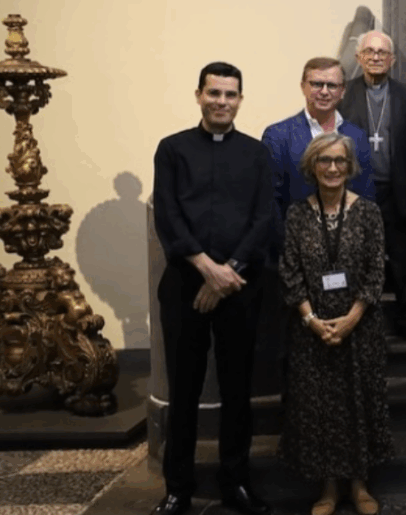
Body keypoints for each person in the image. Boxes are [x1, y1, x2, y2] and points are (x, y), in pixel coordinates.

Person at [152, 62, 273, 515]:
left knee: (238, 389)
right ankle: (178, 488)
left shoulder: (257, 153)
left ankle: (235, 481)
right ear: (199, 95)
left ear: (240, 99)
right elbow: (168, 214)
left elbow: (264, 217)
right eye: (214, 93)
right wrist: (207, 269)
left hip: (239, 286)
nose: (222, 101)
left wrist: (227, 274)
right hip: (185, 284)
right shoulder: (172, 149)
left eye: (230, 94)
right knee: (183, 390)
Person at [277, 132, 392, 515]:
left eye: (339, 160)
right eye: (324, 160)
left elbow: (376, 271)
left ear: (350, 166)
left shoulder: (368, 212)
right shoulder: (297, 215)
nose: (332, 168)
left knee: (359, 403)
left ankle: (359, 486)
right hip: (311, 331)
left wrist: (351, 319)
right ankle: (328, 488)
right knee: (320, 410)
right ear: (312, 166)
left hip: (360, 328)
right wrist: (312, 320)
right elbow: (290, 272)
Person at [338, 31, 406, 342]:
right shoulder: (343, 95)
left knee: (403, 262)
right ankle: (355, 323)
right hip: (355, 191)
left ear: (392, 60)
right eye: (370, 51)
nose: (376, 57)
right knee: (354, 260)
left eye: (382, 53)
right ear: (359, 57)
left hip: (396, 192)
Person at [262, 57, 375, 248]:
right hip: (295, 246)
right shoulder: (278, 136)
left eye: (332, 85)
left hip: (348, 246)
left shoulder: (357, 136)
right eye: (316, 84)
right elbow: (271, 202)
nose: (324, 91)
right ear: (303, 87)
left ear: (342, 91)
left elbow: (366, 196)